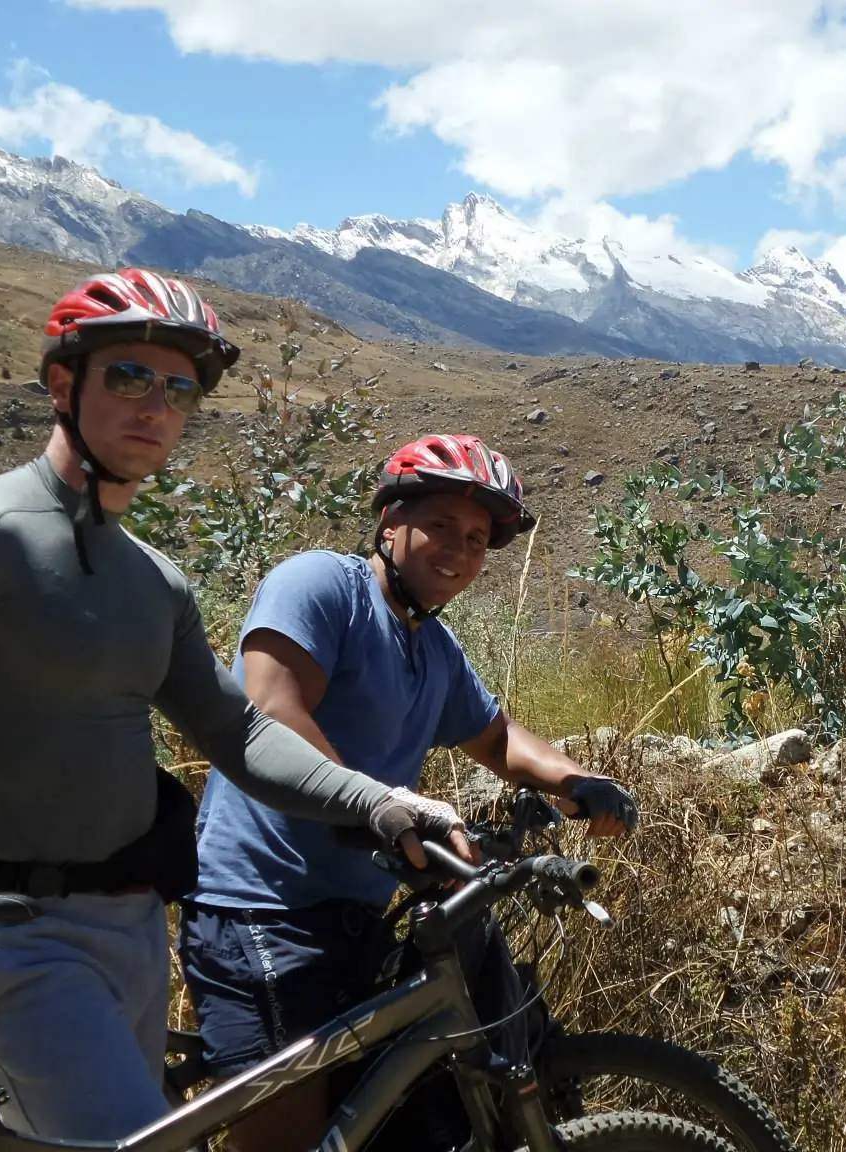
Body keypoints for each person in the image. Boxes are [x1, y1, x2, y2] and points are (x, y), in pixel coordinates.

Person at [0, 269, 472, 1142]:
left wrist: (380, 803)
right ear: (64, 384)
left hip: (137, 926)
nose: (157, 406)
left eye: (179, 389)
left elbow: (238, 731)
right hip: (19, 932)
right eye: (129, 377)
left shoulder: (153, 579)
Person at [178, 433, 640, 1152]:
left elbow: (498, 740)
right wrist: (383, 807)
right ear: (390, 522)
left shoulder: (434, 649)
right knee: (289, 1137)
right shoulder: (321, 586)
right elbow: (271, 708)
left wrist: (578, 781)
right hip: (261, 908)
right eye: (443, 527)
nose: (460, 550)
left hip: (356, 914)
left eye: (479, 539)